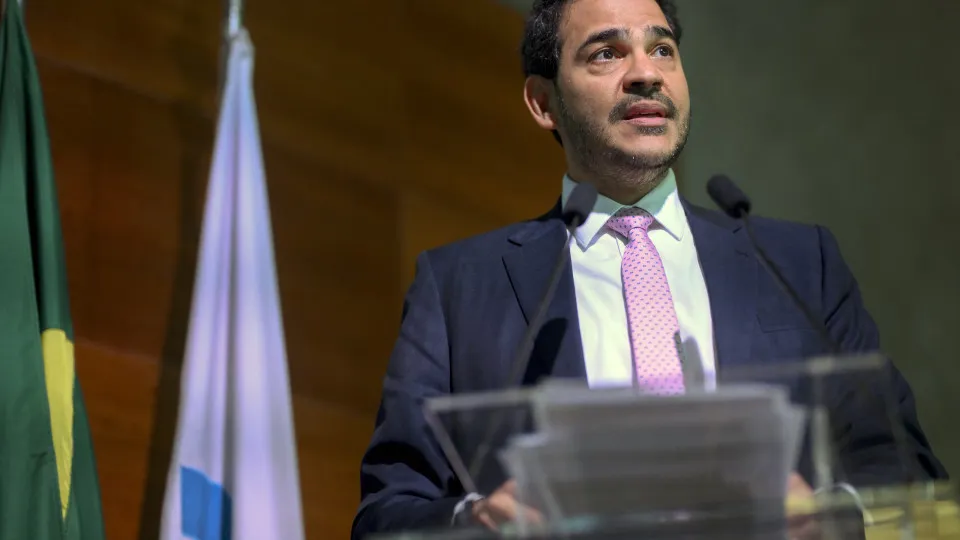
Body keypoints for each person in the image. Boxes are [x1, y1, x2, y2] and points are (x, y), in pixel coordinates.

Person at [351, 0, 947, 537]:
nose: (646, 73)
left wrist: (831, 517)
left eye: (662, 49)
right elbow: (388, 511)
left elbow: (903, 464)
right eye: (606, 53)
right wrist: (478, 521)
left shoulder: (798, 264)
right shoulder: (458, 287)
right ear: (543, 102)